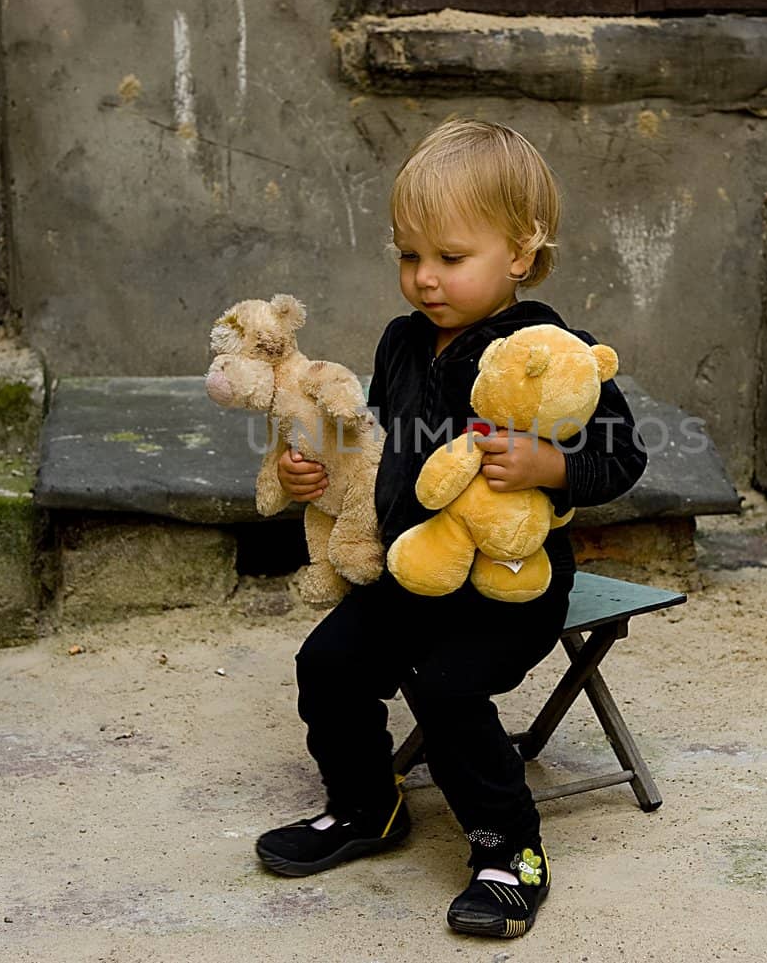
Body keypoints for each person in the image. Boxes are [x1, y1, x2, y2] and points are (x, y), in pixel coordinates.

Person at [254, 117, 647, 939]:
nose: (425, 278)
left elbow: (622, 452)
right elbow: (374, 435)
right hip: (411, 570)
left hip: (509, 585)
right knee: (326, 662)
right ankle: (367, 804)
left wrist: (551, 465)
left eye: (450, 257)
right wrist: (317, 469)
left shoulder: (545, 348)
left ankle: (511, 849)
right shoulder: (402, 342)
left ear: (520, 253)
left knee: (446, 684)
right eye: (409, 255)